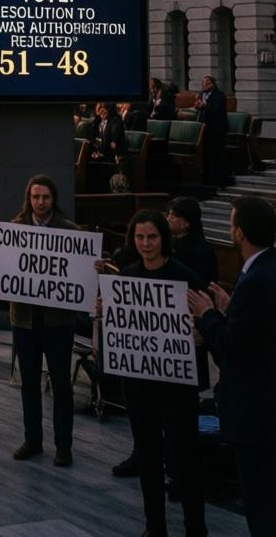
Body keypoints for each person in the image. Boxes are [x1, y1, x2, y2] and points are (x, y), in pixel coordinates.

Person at [110, 210, 207, 537]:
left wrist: (201, 335)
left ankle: (197, 527)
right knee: (148, 457)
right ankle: (155, 526)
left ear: (163, 238)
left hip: (177, 385)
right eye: (139, 237)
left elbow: (204, 322)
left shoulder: (185, 277)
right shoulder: (125, 276)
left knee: (185, 460)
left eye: (151, 237)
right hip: (138, 384)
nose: (146, 243)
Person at [188, 196, 276, 537]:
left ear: (238, 232)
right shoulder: (265, 271)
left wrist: (208, 315)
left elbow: (233, 346)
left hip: (255, 410)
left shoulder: (255, 280)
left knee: (260, 500)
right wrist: (229, 310)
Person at [0, 175, 77, 466]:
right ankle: (32, 438)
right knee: (29, 383)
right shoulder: (13, 230)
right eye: (36, 197)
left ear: (53, 199)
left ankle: (64, 446)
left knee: (61, 384)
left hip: (58, 321)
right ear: (29, 199)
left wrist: (93, 266)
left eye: (45, 197)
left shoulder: (70, 231)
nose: (40, 202)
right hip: (24, 319)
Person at [194, 75, 228, 186]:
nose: (205, 85)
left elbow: (217, 110)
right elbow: (198, 107)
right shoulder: (201, 94)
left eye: (207, 83)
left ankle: (220, 179)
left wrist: (205, 106)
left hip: (216, 129)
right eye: (203, 83)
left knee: (217, 154)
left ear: (213, 84)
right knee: (206, 155)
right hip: (204, 128)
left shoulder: (219, 95)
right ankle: (207, 179)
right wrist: (198, 106)